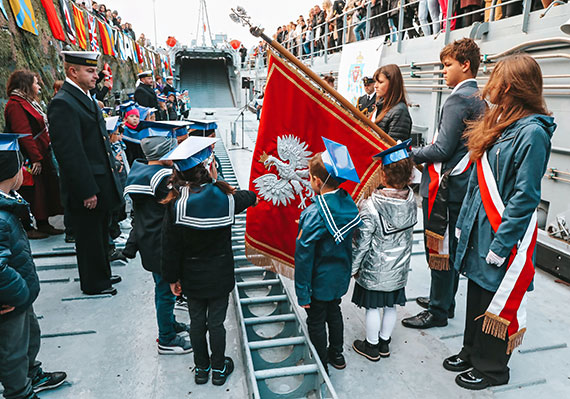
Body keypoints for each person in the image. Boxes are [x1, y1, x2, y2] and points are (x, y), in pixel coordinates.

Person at [446, 54, 555, 390]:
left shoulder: (532, 132)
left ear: (510, 86)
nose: (490, 84)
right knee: (477, 291)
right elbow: (479, 184)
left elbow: (525, 196)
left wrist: (502, 242)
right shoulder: (501, 122)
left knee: (496, 295)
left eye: (496, 79)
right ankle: (472, 350)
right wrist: (464, 221)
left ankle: (492, 367)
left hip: (501, 231)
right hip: (480, 225)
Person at [401, 38, 485, 329]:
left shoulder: (457, 100)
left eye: (448, 65)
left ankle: (437, 311)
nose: (444, 72)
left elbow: (441, 149)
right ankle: (444, 301)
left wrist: (409, 154)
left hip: (443, 189)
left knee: (438, 249)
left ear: (465, 65)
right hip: (462, 187)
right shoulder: (479, 98)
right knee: (450, 248)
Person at [161, 137, 258, 386]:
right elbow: (248, 197)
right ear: (208, 167)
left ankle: (201, 369)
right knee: (217, 323)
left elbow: (169, 247)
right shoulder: (225, 198)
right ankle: (218, 369)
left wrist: (172, 278)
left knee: (196, 323)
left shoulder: (175, 203)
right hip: (220, 274)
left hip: (191, 276)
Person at [47, 51, 123, 296]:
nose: (96, 76)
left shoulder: (84, 97)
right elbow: (70, 153)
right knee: (89, 236)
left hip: (100, 179)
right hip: (87, 184)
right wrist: (86, 190)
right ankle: (94, 283)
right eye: (90, 71)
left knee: (100, 232)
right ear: (72, 72)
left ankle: (103, 274)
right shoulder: (63, 103)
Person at [0, 133, 67, 399]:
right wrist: (20, 292)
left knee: (29, 338)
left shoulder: (8, 203)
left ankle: (32, 373)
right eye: (21, 166)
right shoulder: (2, 216)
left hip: (20, 296)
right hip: (11, 299)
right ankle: (20, 391)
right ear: (11, 172)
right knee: (12, 348)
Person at [124, 122, 194, 355]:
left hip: (148, 242)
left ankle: (169, 322)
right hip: (163, 243)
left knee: (162, 287)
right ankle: (167, 337)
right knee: (166, 290)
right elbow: (184, 201)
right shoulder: (164, 179)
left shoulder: (140, 171)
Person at [295, 137, 361, 373]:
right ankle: (337, 355)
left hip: (317, 281)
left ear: (317, 181)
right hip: (339, 278)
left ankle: (320, 362)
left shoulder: (314, 213)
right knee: (335, 313)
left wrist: (302, 291)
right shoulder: (347, 202)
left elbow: (303, 256)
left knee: (316, 320)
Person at [351, 140, 417, 361]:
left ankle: (371, 346)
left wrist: (353, 268)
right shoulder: (410, 202)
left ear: (383, 176)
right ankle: (384, 343)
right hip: (398, 271)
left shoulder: (370, 206)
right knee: (390, 306)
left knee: (372, 308)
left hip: (375, 270)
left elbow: (361, 243)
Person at [4, 70, 64, 240]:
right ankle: (28, 226)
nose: (38, 86)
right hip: (28, 156)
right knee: (33, 191)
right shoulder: (16, 105)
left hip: (39, 152)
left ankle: (44, 223)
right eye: (35, 83)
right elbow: (24, 133)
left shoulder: (27, 102)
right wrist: (36, 158)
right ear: (26, 85)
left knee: (42, 189)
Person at [372, 65, 412, 142]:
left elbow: (393, 147)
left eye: (380, 82)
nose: (375, 86)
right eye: (375, 82)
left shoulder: (399, 111)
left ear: (392, 84)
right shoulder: (381, 106)